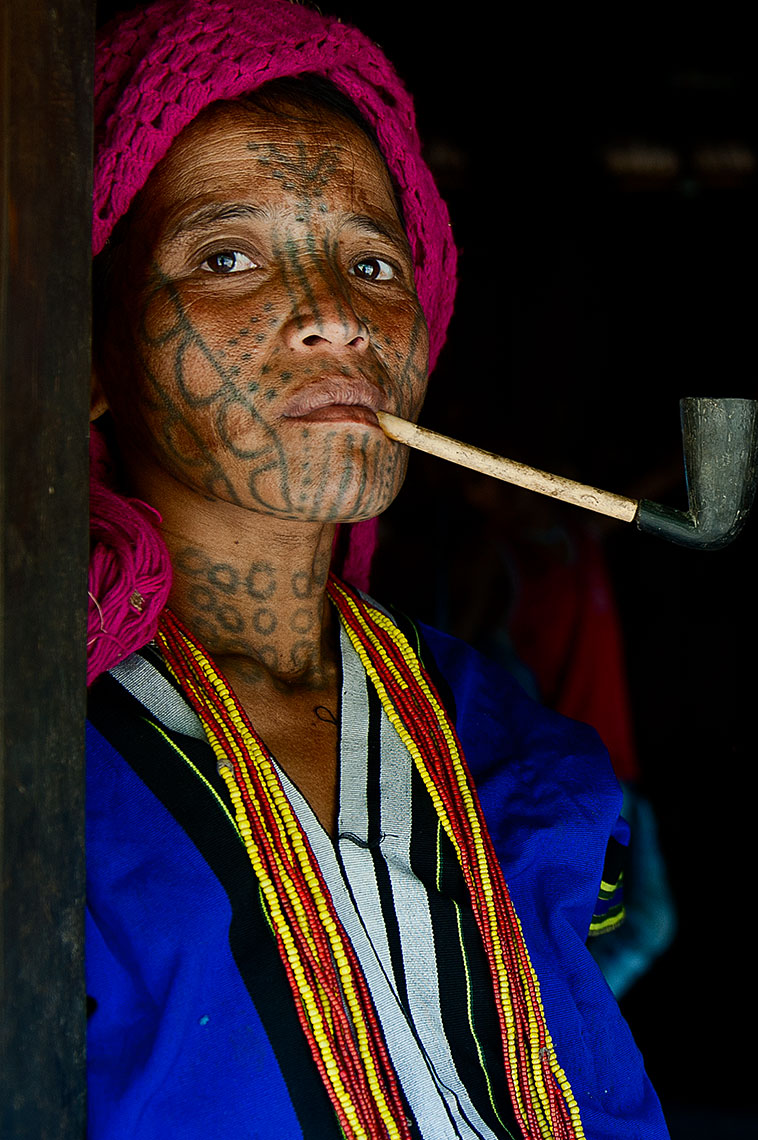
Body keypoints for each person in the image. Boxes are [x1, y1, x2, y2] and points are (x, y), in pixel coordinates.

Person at [84, 2, 667, 1136]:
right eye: (229, 255)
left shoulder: (516, 744)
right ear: (93, 354)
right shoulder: (43, 755)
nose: (335, 318)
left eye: (371, 262)